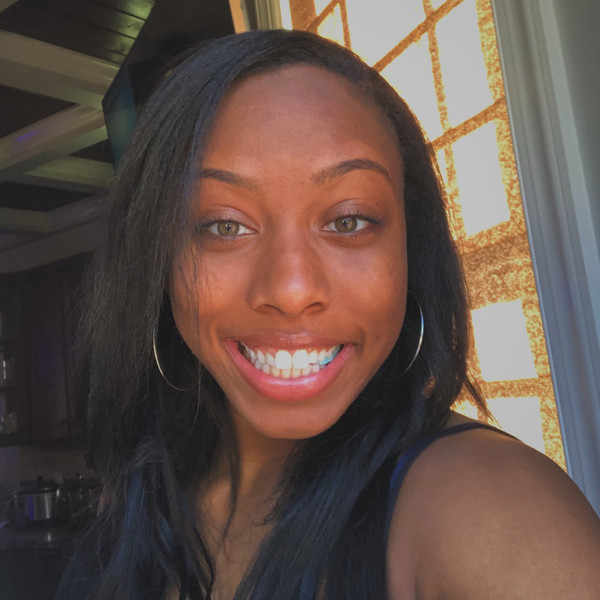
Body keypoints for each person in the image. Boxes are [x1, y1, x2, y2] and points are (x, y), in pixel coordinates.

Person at [57, 29, 600, 600]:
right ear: (157, 259)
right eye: (225, 225)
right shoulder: (138, 492)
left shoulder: (493, 513)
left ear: (410, 249)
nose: (292, 290)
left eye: (348, 221)